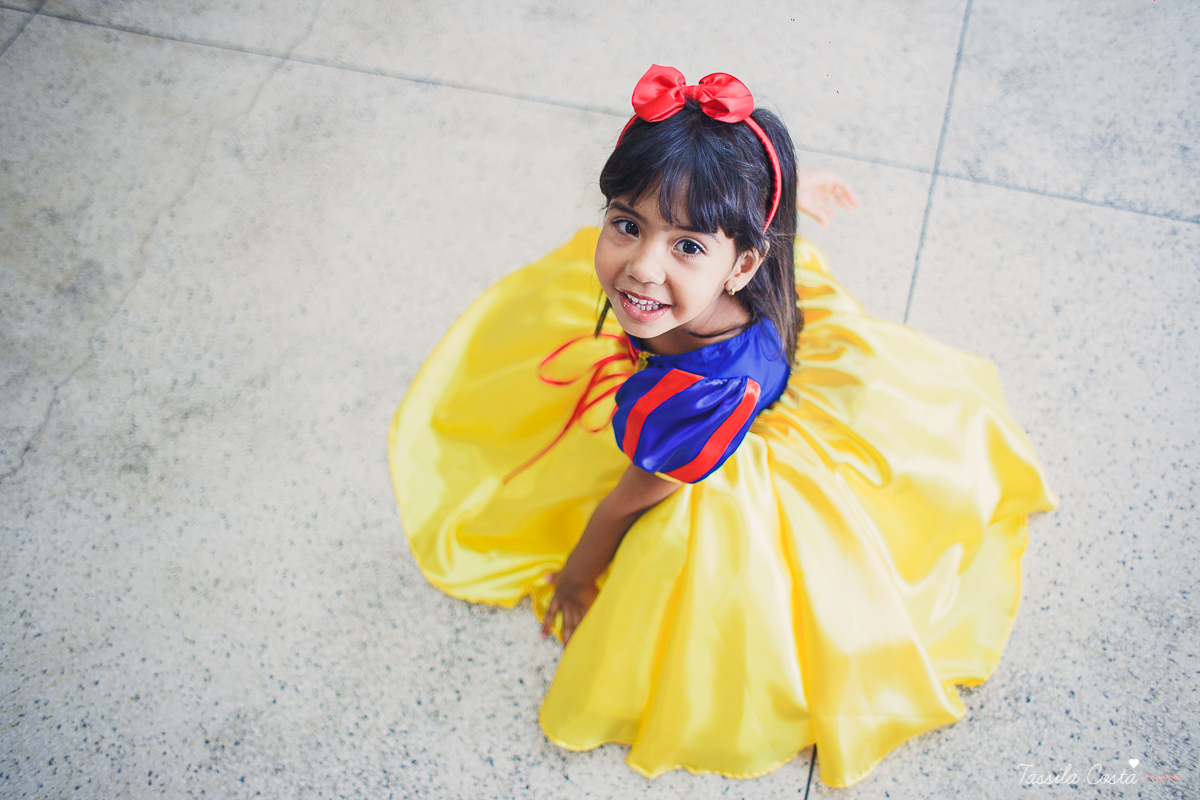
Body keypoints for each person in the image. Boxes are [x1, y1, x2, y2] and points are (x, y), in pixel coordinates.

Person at [388, 65, 1056, 787]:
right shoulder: (735, 260)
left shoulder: (691, 401)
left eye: (686, 246)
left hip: (720, 408)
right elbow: (735, 203)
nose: (641, 268)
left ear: (743, 263)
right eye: (626, 224)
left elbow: (626, 499)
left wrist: (578, 579)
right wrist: (796, 190)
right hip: (742, 349)